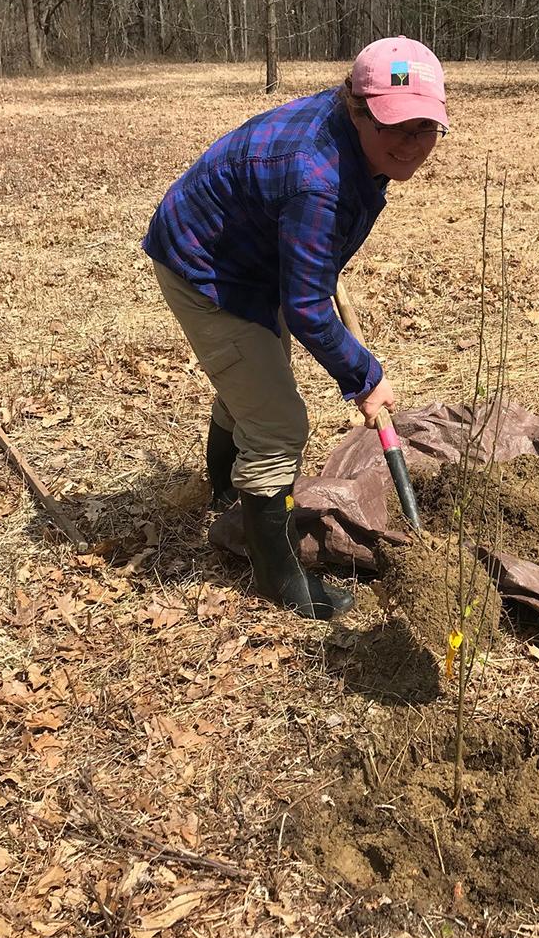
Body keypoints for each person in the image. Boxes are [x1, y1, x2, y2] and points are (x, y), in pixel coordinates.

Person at [142, 37, 449, 621]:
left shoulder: (346, 147)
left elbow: (312, 269)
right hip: (206, 265)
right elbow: (307, 307)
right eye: (395, 127)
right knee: (278, 420)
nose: (412, 144)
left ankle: (227, 495)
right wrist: (363, 374)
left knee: (256, 385)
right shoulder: (315, 179)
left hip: (254, 253)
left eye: (424, 128)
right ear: (356, 109)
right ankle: (276, 576)